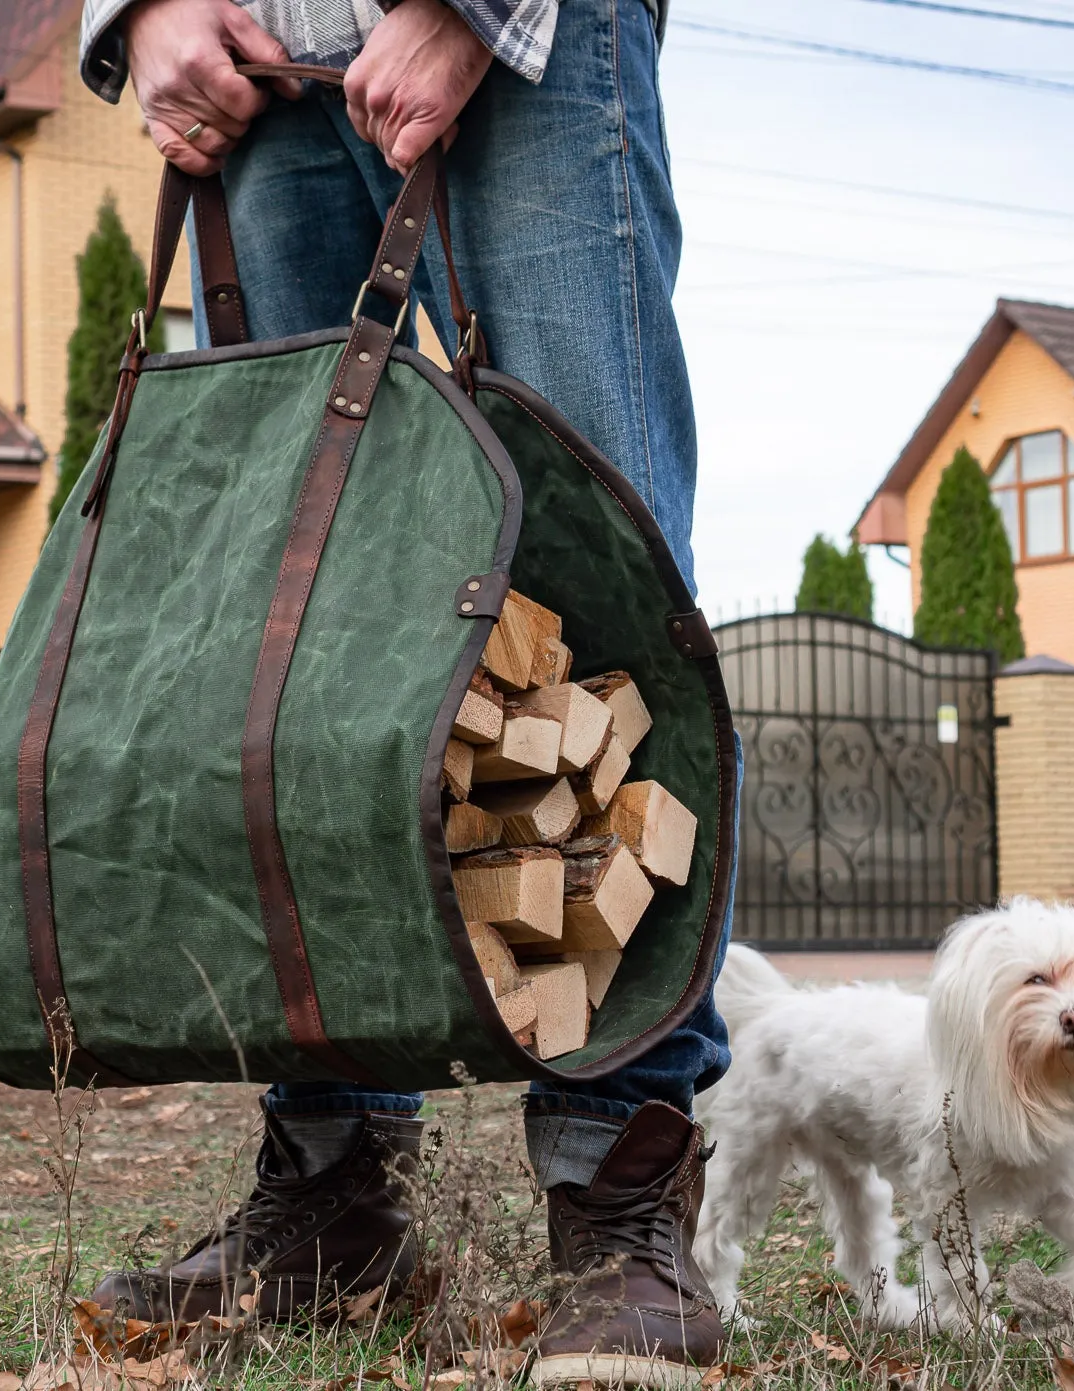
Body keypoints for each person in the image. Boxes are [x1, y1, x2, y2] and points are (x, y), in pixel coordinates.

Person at [76, 0, 740, 1378]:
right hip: (255, 60)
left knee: (593, 570)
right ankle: (331, 1189)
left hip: (525, 49)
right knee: (298, 642)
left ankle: (620, 1192)